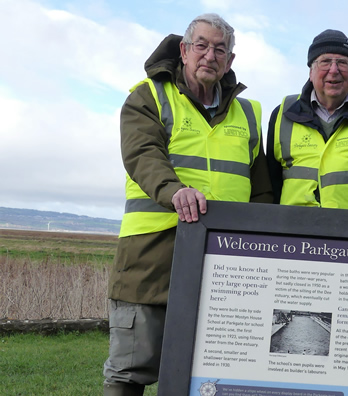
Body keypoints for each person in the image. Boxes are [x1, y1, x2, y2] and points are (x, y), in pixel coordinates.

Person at [104, 14, 273, 396]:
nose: (210, 56)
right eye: (202, 45)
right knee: (131, 368)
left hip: (225, 261)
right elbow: (142, 154)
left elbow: (261, 189)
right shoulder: (147, 96)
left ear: (230, 60)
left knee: (211, 373)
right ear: (184, 50)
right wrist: (173, 190)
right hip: (153, 254)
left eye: (220, 49)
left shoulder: (248, 114)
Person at [266, 29, 348, 211]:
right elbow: (271, 182)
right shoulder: (283, 113)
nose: (334, 70)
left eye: (342, 63)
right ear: (311, 73)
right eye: (325, 62)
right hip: (295, 231)